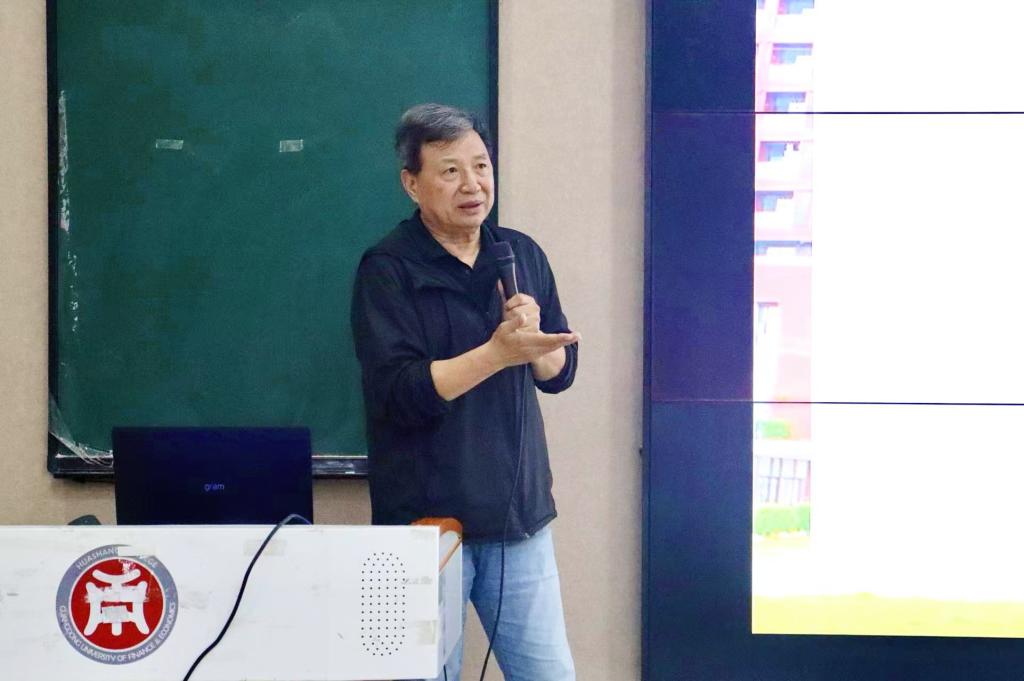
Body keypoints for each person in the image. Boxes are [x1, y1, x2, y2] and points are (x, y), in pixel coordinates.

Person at [351, 103, 579, 681]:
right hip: (426, 527)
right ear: (412, 183)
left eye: (481, 166)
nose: (472, 184)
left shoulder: (518, 254)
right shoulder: (388, 268)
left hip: (518, 519)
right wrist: (496, 353)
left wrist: (535, 343)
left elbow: (559, 371)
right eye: (450, 171)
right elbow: (399, 393)